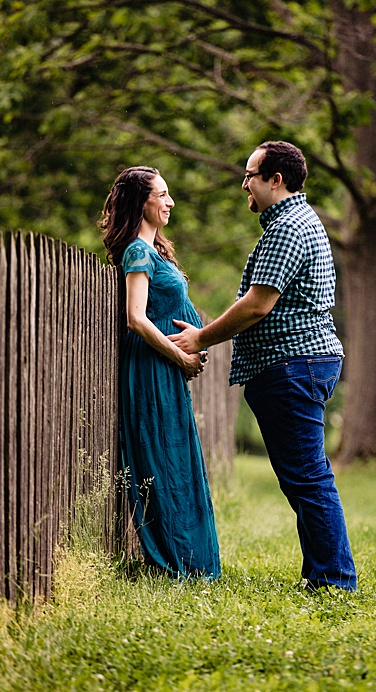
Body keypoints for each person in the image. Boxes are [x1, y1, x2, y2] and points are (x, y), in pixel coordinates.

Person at [168, 141, 356, 591]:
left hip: (293, 364)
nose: (244, 184)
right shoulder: (291, 223)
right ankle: (324, 577)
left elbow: (257, 305)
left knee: (308, 478)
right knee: (304, 479)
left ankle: (334, 580)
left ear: (276, 179)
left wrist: (201, 336)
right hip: (297, 363)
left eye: (250, 175)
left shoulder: (288, 227)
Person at [101, 166, 221, 580]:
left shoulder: (154, 251)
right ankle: (176, 558)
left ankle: (187, 555)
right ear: (142, 202)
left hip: (164, 367)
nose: (170, 202)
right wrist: (181, 356)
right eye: (162, 195)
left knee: (175, 453)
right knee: (162, 456)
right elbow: (135, 318)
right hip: (153, 367)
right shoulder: (137, 251)